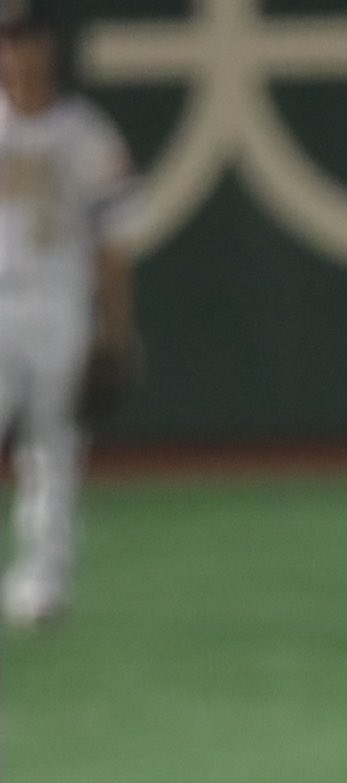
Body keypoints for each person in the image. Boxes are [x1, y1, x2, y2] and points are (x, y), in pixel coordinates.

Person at [0, 3, 141, 627]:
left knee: (53, 447)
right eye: (8, 41)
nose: (17, 53)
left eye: (26, 40)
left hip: (60, 304)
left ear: (48, 48)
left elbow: (114, 242)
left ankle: (44, 583)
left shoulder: (86, 133)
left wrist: (116, 329)